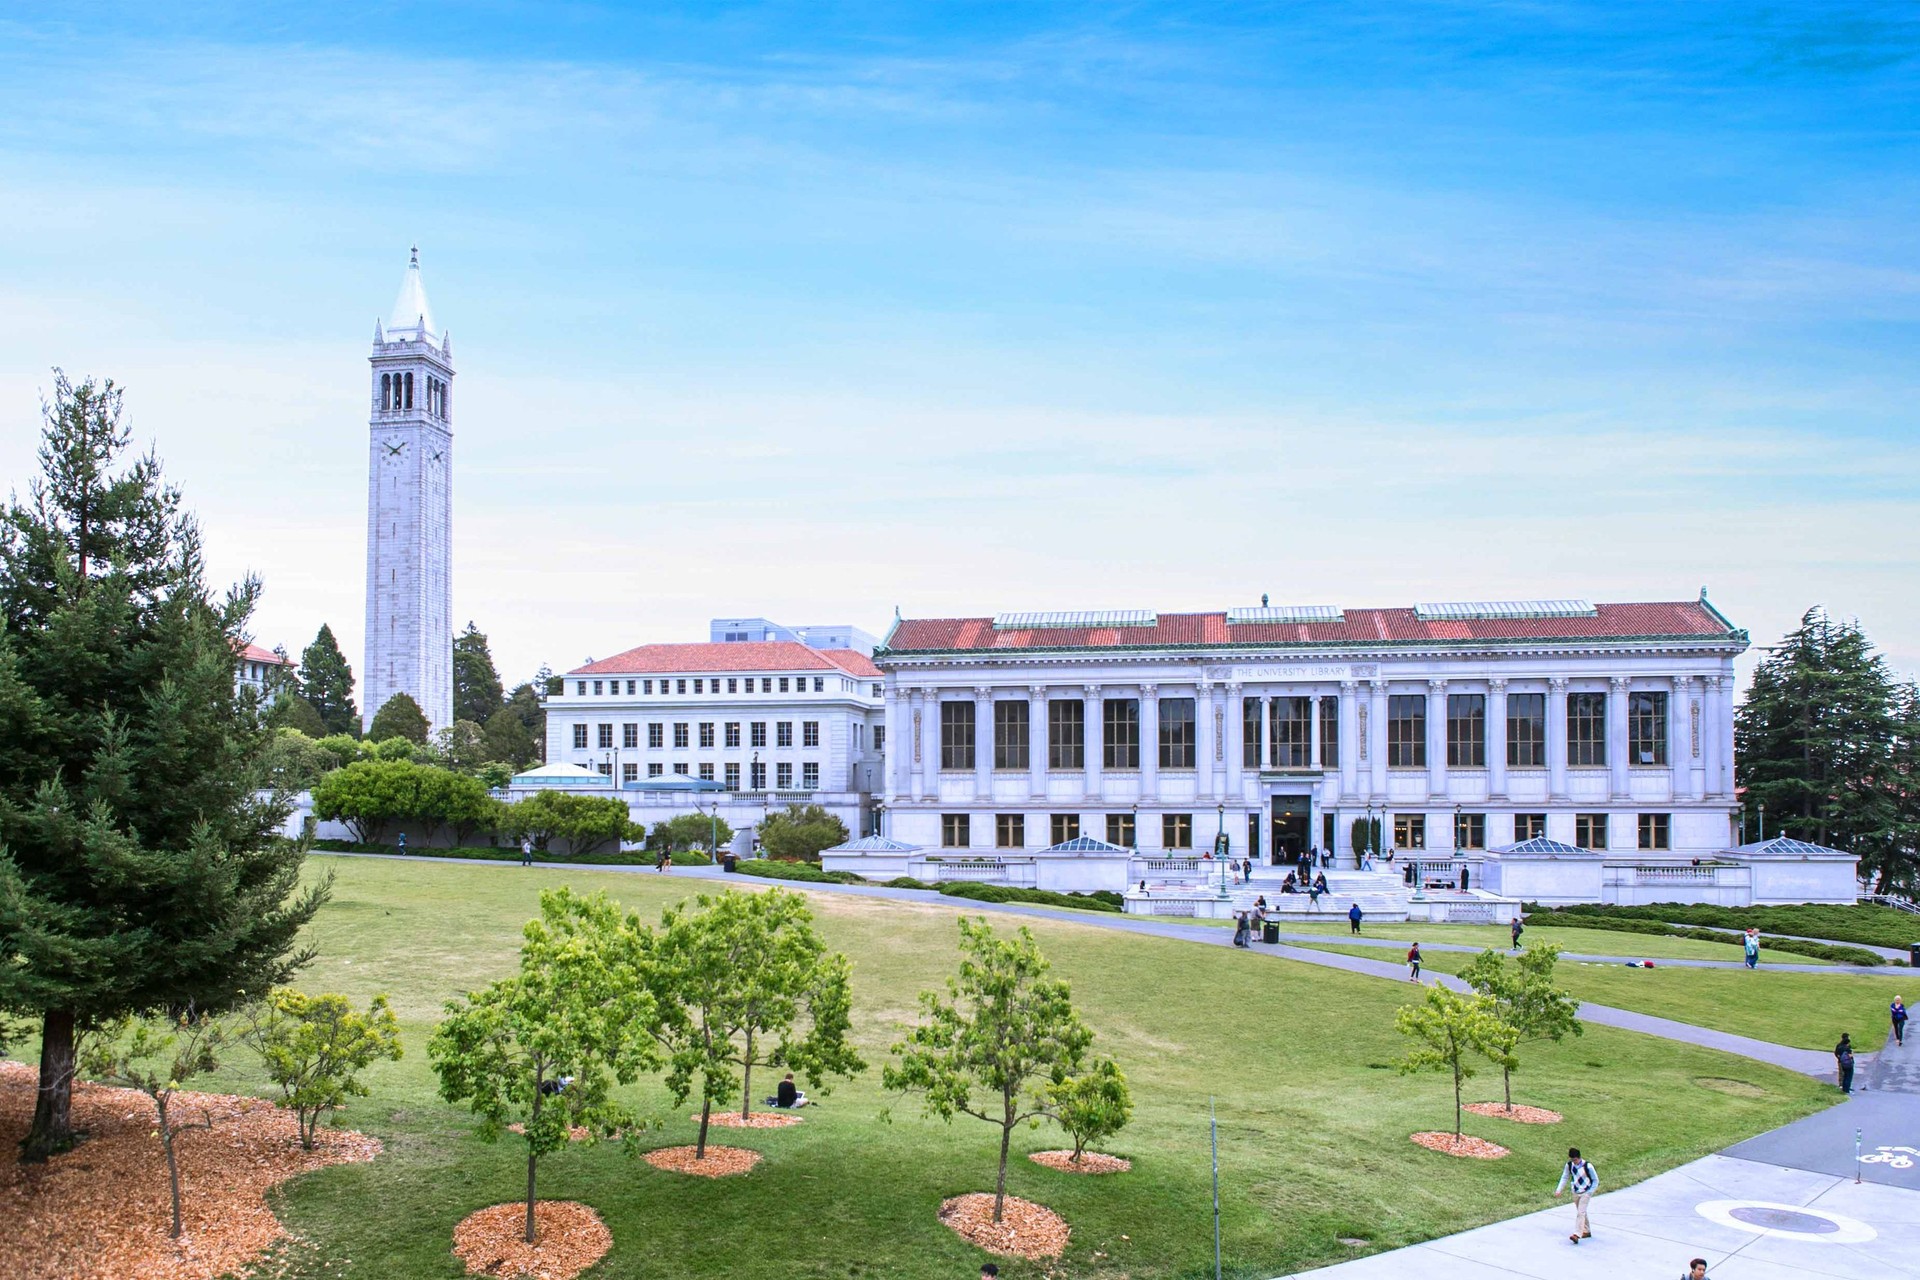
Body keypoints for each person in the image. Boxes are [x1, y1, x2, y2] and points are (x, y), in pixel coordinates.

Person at [1554, 1146, 1598, 1243]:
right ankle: (1586, 1231)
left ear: (1579, 1157)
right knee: (1581, 1211)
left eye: (1575, 1160)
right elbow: (1565, 1177)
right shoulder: (1569, 1165)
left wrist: (1590, 1192)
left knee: (1580, 1213)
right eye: (1572, 1160)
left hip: (1586, 1192)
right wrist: (1559, 1190)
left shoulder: (1588, 1166)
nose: (1574, 1162)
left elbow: (1595, 1180)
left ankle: (1577, 1234)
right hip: (1575, 1191)